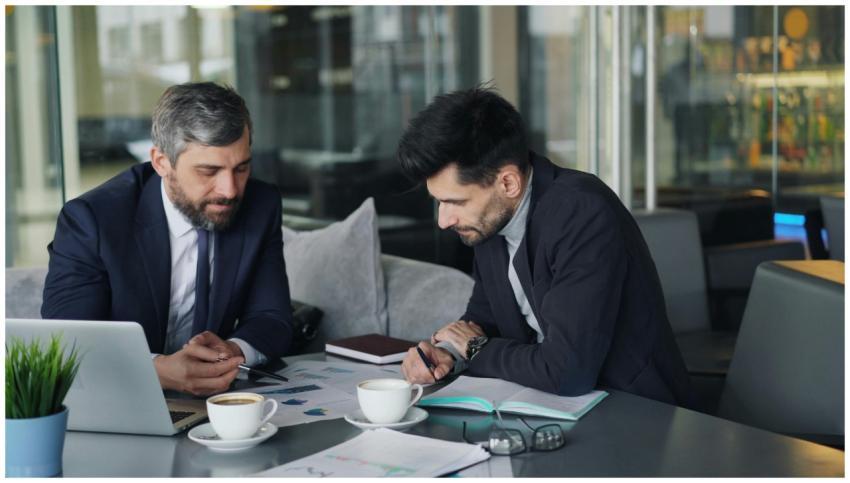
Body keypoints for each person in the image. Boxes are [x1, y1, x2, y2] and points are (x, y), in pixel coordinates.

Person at [396, 86, 693, 407]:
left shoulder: (581, 213)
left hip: (634, 410)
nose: (444, 220)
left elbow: (568, 370)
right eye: (439, 202)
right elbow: (485, 318)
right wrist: (448, 353)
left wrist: (477, 348)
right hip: (548, 404)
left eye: (455, 202)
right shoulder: (490, 218)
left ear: (508, 183)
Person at [42, 82, 294, 396]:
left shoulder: (261, 204)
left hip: (216, 401)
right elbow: (69, 342)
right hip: (119, 399)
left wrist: (232, 350)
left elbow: (273, 317)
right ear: (162, 162)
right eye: (208, 171)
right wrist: (158, 371)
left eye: (241, 168)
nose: (230, 190)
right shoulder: (92, 220)